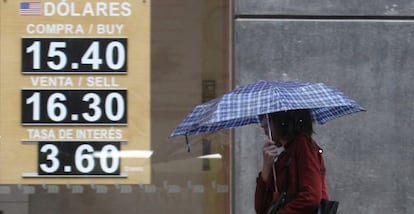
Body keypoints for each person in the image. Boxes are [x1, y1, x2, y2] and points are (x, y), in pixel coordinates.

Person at [255, 109, 329, 214]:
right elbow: (261, 208)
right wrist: (266, 167)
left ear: (283, 118)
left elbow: (311, 197)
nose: (262, 124)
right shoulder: (286, 155)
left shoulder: (303, 146)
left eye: (267, 117)